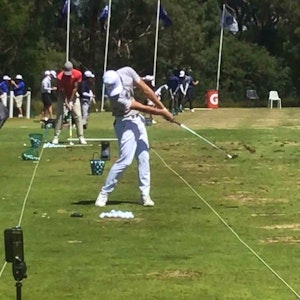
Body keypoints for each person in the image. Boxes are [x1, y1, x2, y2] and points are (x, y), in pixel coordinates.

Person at [95, 66, 174, 207]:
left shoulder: (127, 72)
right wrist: (162, 113)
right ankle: (104, 194)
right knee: (125, 160)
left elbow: (146, 90)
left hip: (137, 120)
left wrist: (163, 108)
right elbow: (140, 106)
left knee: (144, 157)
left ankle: (145, 195)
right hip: (124, 123)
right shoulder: (115, 98)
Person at [52, 61, 87, 145]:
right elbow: (62, 91)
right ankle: (56, 137)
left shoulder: (78, 74)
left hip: (74, 95)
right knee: (60, 116)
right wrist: (66, 102)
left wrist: (71, 101)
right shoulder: (60, 77)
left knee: (78, 115)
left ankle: (81, 136)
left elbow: (75, 88)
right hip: (62, 96)